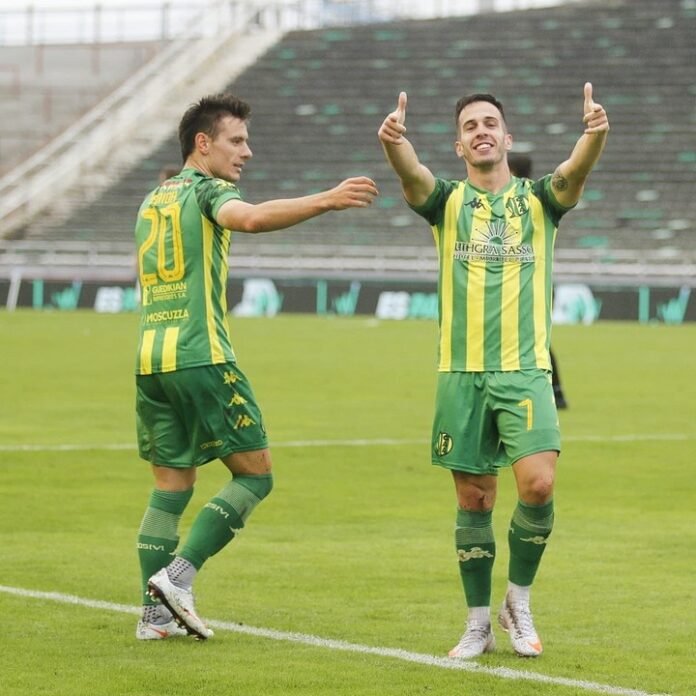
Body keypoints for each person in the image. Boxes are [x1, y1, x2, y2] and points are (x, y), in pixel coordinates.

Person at [135, 93, 378, 641]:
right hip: (201, 356)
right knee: (255, 475)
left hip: (151, 359)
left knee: (170, 488)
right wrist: (328, 199)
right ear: (203, 144)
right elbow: (250, 218)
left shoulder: (153, 198)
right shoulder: (207, 190)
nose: (247, 151)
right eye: (237, 140)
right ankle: (177, 577)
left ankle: (153, 619)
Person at [378, 83, 608, 658]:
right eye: (470, 127)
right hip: (460, 372)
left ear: (507, 138)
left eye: (489, 124)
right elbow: (412, 176)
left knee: (539, 484)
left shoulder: (541, 199)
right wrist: (394, 142)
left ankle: (518, 601)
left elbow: (574, 172)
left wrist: (594, 134)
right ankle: (477, 622)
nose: (481, 131)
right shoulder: (446, 201)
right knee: (474, 500)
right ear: (459, 146)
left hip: (524, 370)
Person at [507, 153, 568, 410]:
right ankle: (553, 391)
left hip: (526, 283)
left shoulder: (520, 201)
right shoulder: (538, 198)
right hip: (540, 281)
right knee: (535, 339)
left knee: (532, 339)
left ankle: (546, 390)